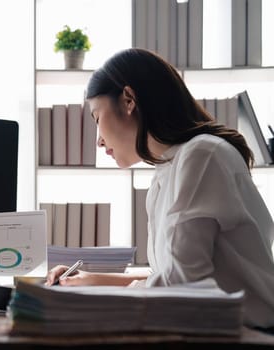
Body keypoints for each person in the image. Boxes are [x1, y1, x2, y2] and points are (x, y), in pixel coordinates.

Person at [45, 48, 274, 330]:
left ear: (129, 100)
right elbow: (168, 276)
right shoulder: (167, 171)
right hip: (212, 328)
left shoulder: (201, 155)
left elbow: (180, 283)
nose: (99, 142)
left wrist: (98, 296)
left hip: (247, 332)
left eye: (96, 118)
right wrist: (91, 279)